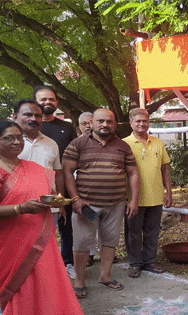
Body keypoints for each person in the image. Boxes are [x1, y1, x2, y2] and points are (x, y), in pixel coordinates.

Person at [0, 121, 90, 315]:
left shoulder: (31, 167)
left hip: (40, 236)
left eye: (18, 137)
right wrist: (20, 209)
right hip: (11, 239)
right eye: (8, 138)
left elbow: (45, 194)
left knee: (47, 282)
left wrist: (55, 201)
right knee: (22, 286)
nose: (16, 142)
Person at [62, 108, 140, 299]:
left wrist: (134, 200)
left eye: (109, 121)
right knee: (81, 243)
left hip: (116, 203)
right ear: (92, 123)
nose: (105, 125)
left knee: (110, 241)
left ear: (114, 124)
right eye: (100, 121)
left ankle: (105, 276)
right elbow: (66, 172)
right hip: (86, 205)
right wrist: (75, 199)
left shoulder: (123, 146)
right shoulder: (78, 143)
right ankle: (80, 281)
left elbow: (133, 173)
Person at [123, 108, 172, 278]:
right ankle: (135, 263)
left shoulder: (157, 142)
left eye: (145, 121)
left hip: (156, 196)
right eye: (138, 121)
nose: (142, 124)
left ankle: (149, 261)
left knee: (152, 231)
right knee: (133, 232)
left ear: (149, 122)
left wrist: (169, 192)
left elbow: (165, 168)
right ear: (131, 123)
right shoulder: (124, 144)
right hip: (133, 199)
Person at [34, 86, 77, 275]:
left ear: (57, 103)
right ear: (35, 101)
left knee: (66, 226)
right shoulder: (29, 127)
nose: (47, 103)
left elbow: (72, 158)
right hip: (35, 188)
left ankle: (67, 262)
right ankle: (40, 266)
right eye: (42, 99)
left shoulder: (66, 127)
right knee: (37, 230)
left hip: (62, 184)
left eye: (51, 99)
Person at [77, 111, 98, 266]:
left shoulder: (104, 142)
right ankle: (89, 254)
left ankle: (106, 253)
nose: (88, 126)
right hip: (82, 191)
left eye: (91, 122)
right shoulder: (75, 144)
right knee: (86, 224)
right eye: (85, 124)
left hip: (103, 191)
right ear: (79, 126)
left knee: (103, 224)